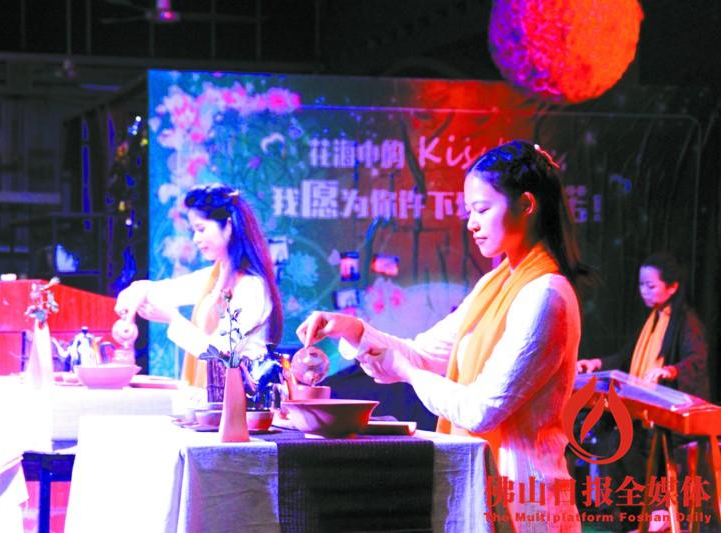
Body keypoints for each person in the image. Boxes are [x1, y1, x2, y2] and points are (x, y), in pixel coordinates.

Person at [298, 140, 592, 532]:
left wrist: (408, 372)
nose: (471, 223)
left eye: (482, 209)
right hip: (485, 487)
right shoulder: (495, 284)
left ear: (526, 205)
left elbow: (481, 410)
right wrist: (353, 330)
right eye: (470, 211)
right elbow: (422, 354)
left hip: (525, 501)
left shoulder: (546, 294)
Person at [114, 183, 283, 388]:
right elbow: (158, 290)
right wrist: (130, 308)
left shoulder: (251, 287)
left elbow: (222, 354)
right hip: (214, 397)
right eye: (194, 231)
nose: (196, 239)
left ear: (228, 226)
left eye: (201, 229)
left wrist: (173, 319)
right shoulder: (214, 277)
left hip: (243, 397)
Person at [576, 252, 708, 399]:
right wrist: (595, 363)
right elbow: (625, 357)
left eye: (651, 286)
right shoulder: (652, 319)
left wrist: (670, 371)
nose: (644, 292)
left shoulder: (687, 321)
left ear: (672, 287)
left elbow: (696, 361)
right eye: (641, 285)